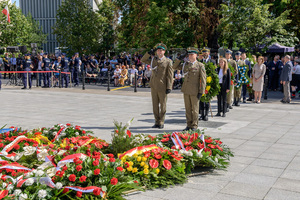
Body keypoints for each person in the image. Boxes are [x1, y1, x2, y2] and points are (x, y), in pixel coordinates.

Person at [141, 43, 173, 129]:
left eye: (161, 50)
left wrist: (169, 87)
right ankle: (156, 121)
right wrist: (148, 53)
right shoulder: (153, 60)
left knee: (163, 106)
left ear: (164, 51)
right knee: (155, 105)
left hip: (163, 86)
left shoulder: (168, 61)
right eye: (158, 50)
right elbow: (143, 60)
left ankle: (161, 121)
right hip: (154, 85)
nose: (159, 52)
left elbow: (170, 75)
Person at [173, 47, 206, 131]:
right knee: (187, 109)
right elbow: (174, 66)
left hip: (195, 91)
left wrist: (201, 91)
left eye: (192, 54)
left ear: (196, 55)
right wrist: (179, 59)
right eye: (189, 54)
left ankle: (194, 125)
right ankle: (189, 124)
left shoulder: (200, 65)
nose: (190, 56)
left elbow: (203, 79)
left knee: (195, 109)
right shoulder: (185, 64)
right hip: (186, 89)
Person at [199, 47, 216, 121]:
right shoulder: (200, 61)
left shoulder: (212, 61)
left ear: (209, 53)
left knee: (207, 99)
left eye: (206, 52)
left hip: (209, 83)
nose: (205, 54)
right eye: (203, 53)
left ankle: (206, 115)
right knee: (201, 100)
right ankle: (202, 114)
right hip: (200, 83)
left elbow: (214, 73)